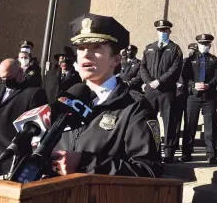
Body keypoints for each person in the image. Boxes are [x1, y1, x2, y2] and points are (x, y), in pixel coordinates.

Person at [52, 14, 162, 178]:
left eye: (96, 47)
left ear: (116, 59)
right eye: (81, 48)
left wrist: (85, 163)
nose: (86, 54)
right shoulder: (66, 99)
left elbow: (148, 171)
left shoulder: (134, 107)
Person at [0, 59, 48, 165]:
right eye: (2, 78)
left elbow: (33, 127)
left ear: (21, 72)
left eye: (9, 77)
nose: (5, 81)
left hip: (5, 156)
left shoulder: (34, 93)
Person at [139, 20, 183, 163]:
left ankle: (169, 153)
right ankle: (150, 151)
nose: (162, 33)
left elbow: (175, 69)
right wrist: (148, 81)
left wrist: (160, 81)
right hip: (151, 90)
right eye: (160, 30)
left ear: (169, 32)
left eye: (165, 31)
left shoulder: (175, 49)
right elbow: (142, 67)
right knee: (148, 120)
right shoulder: (149, 48)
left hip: (166, 91)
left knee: (169, 122)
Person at [181, 34, 217, 164]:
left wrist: (209, 85)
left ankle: (211, 154)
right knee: (190, 125)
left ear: (209, 45)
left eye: (206, 44)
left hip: (208, 97)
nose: (204, 46)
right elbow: (184, 76)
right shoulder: (189, 60)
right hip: (193, 96)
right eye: (202, 44)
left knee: (210, 126)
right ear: (198, 45)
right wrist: (193, 85)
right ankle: (186, 153)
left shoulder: (214, 60)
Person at [170, 43, 198, 162]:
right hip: (179, 94)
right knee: (176, 121)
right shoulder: (184, 61)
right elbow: (176, 73)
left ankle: (187, 151)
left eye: (194, 50)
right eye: (191, 49)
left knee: (188, 124)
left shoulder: (199, 63)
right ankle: (174, 144)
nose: (192, 52)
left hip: (190, 95)